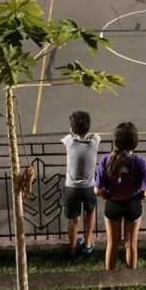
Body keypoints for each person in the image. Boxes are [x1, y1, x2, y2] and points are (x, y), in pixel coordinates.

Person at [94, 122, 146, 270]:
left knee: (112, 244)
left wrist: (108, 195)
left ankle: (109, 278)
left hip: (113, 205)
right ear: (135, 143)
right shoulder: (140, 162)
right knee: (131, 245)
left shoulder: (106, 160)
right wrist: (140, 195)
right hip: (133, 205)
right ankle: (130, 278)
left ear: (116, 141)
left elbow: (97, 190)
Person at [62, 110, 101, 257]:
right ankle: (88, 243)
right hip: (89, 187)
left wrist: (72, 132)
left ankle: (72, 248)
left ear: (72, 129)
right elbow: (97, 135)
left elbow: (68, 136)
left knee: (73, 219)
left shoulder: (69, 141)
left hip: (71, 187)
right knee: (90, 212)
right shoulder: (95, 141)